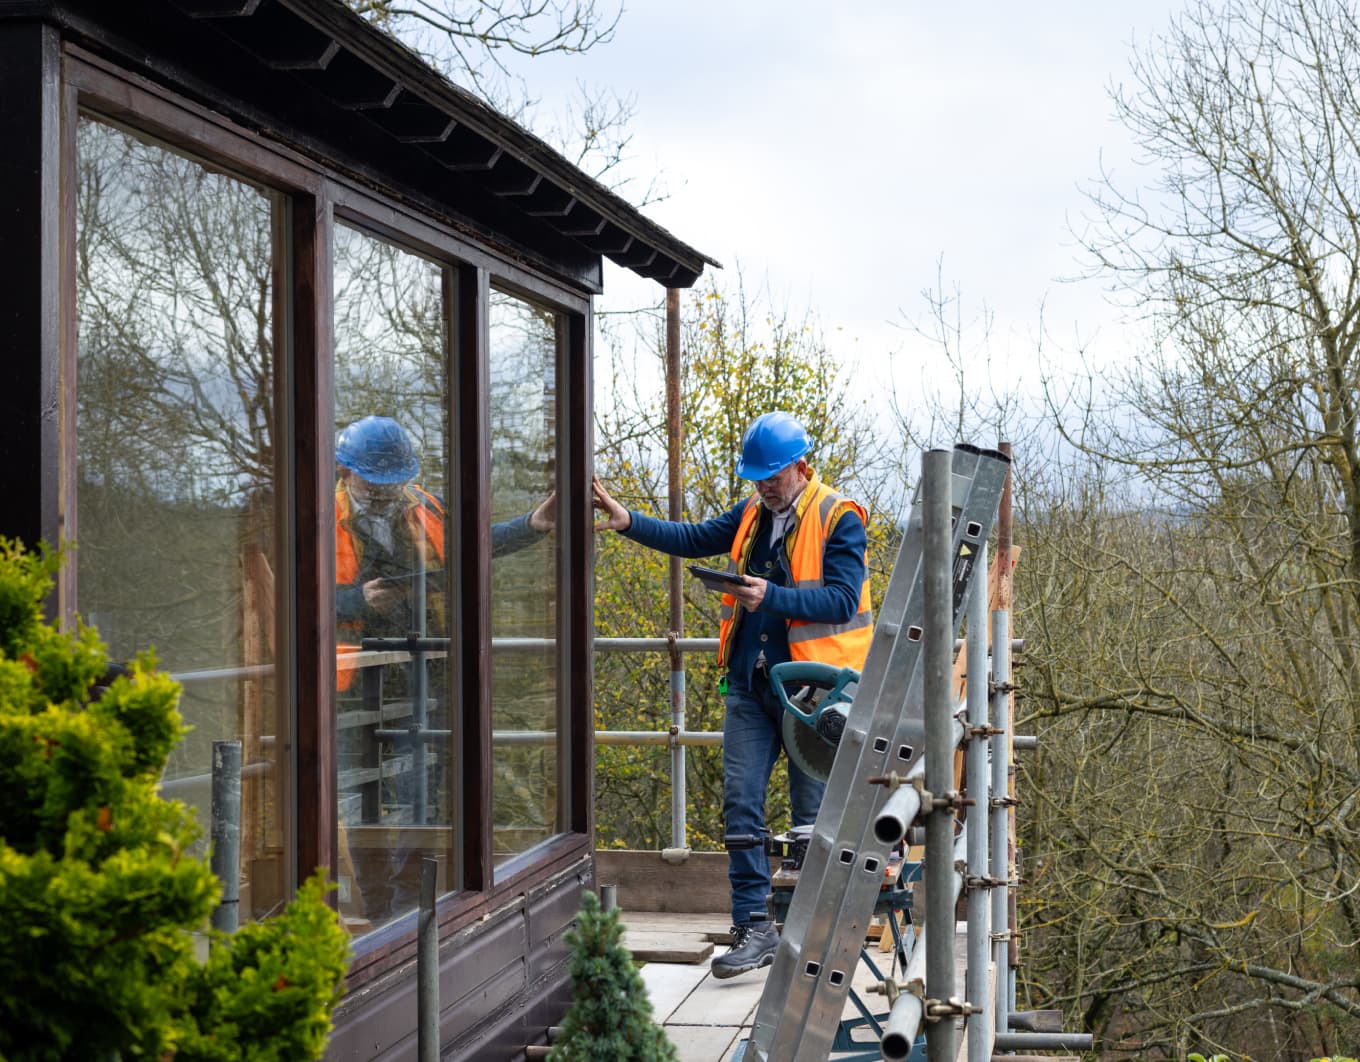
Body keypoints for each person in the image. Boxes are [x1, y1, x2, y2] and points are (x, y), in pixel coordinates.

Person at [592, 411, 872, 979]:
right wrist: (628, 521)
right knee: (740, 803)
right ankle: (753, 926)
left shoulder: (840, 517)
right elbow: (694, 538)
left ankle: (811, 934)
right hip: (750, 684)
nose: (764, 486)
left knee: (808, 820)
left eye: (772, 476)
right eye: (757, 478)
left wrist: (771, 596)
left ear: (799, 466)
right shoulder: (752, 512)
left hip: (813, 691)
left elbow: (843, 600)